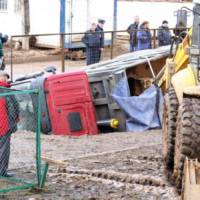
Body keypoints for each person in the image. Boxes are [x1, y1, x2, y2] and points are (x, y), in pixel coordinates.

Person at [0, 71, 19, 177]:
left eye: (6, 78)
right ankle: (2, 171)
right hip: (4, 125)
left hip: (4, 124)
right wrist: (15, 120)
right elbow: (12, 108)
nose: (6, 79)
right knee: (4, 150)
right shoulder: (6, 90)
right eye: (4, 77)